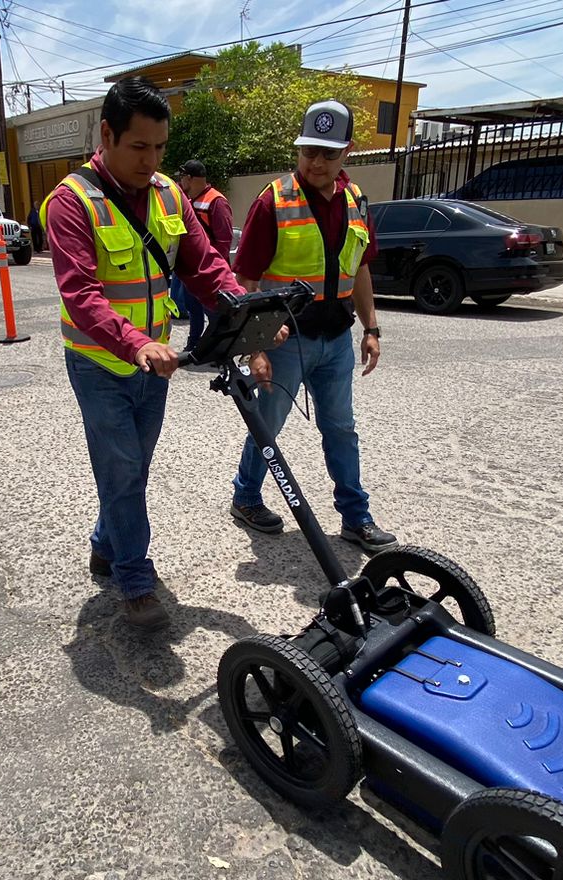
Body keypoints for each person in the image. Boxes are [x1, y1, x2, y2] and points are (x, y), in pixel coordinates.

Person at [43, 77, 242, 630]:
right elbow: (80, 295)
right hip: (100, 362)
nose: (152, 159)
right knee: (125, 470)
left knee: (133, 468)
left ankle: (106, 544)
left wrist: (248, 311)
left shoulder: (168, 194)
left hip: (155, 364)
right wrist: (137, 343)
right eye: (139, 147)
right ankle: (134, 579)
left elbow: (203, 266)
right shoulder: (71, 202)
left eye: (160, 148)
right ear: (107, 134)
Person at [227, 99, 398, 553]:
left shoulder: (356, 200)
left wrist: (372, 329)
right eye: (308, 151)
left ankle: (356, 518)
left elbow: (359, 270)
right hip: (287, 342)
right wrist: (256, 347)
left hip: (336, 339)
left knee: (341, 428)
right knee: (268, 424)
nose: (316, 162)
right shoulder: (274, 200)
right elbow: (245, 280)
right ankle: (245, 497)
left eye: (327, 153)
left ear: (348, 151)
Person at [172, 159, 234, 357]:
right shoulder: (190, 201)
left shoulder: (216, 201)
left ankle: (221, 349)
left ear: (190, 178)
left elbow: (224, 240)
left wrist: (214, 269)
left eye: (182, 178)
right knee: (192, 308)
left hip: (210, 270)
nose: (181, 182)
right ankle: (194, 345)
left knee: (214, 312)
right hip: (193, 270)